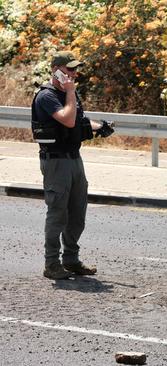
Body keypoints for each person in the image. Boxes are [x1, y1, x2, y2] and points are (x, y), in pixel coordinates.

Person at [32, 50, 114, 280]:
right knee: (58, 213)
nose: (74, 74)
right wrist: (69, 92)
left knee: (77, 214)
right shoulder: (46, 96)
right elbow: (67, 119)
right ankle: (51, 264)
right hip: (56, 162)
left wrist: (99, 126)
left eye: (76, 69)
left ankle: (71, 260)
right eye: (69, 69)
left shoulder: (69, 94)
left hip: (74, 159)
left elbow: (77, 122)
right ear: (56, 70)